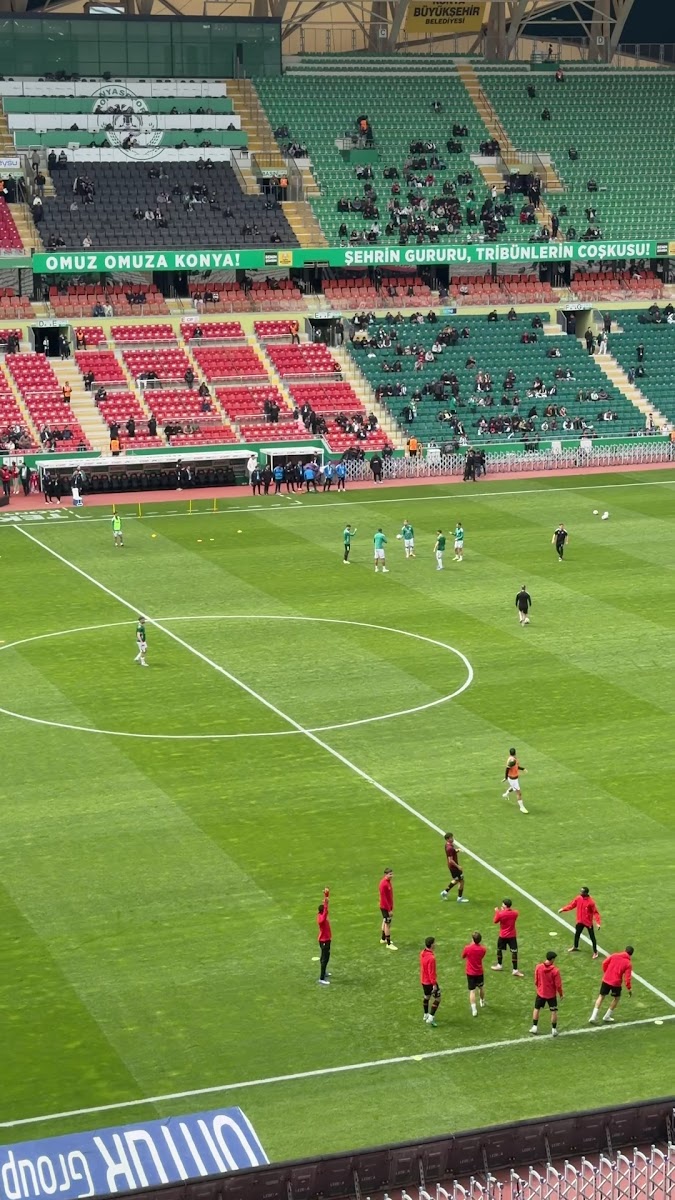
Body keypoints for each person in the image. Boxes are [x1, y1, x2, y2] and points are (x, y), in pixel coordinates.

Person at [589, 947, 633, 1024]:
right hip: (616, 983)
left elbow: (604, 963)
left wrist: (606, 972)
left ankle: (593, 1016)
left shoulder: (614, 955)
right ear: (631, 954)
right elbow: (627, 978)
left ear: (624, 950)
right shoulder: (628, 963)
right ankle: (607, 1016)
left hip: (606, 979)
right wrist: (629, 988)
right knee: (616, 998)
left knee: (601, 996)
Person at [559, 887, 601, 957]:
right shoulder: (578, 898)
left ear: (586, 893)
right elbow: (572, 905)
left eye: (582, 892)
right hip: (580, 921)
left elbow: (595, 913)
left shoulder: (591, 902)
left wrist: (598, 923)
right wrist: (563, 909)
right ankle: (575, 947)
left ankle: (595, 952)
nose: (580, 893)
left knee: (592, 937)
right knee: (577, 934)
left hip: (588, 923)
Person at [530, 951, 563, 1036]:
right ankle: (554, 1030)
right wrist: (561, 994)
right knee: (553, 1011)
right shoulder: (555, 971)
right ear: (552, 959)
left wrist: (539, 987)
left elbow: (536, 980)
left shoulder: (538, 967)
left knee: (536, 1008)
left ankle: (534, 1027)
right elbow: (558, 985)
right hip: (551, 995)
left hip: (541, 993)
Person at [492, 899, 524, 976]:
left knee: (499, 950)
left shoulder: (500, 914)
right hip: (512, 936)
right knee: (514, 952)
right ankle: (515, 970)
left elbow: (495, 921)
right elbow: (512, 913)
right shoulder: (515, 913)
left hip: (503, 935)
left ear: (505, 905)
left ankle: (499, 965)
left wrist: (497, 912)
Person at [462, 932, 486, 1017]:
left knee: (472, 991)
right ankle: (482, 1001)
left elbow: (463, 956)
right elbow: (481, 956)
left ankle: (474, 1009)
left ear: (472, 939)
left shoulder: (467, 948)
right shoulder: (483, 949)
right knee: (481, 987)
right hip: (479, 972)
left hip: (470, 973)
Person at [440, 832, 468, 903]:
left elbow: (452, 853)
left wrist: (457, 850)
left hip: (452, 867)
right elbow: (450, 860)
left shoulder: (447, 845)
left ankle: (444, 892)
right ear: (447, 839)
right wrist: (458, 866)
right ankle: (459, 898)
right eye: (451, 838)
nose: (452, 839)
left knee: (457, 879)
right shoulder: (449, 848)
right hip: (454, 867)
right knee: (461, 881)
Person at [420, 937, 441, 1026]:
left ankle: (425, 1014)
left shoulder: (422, 953)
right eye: (434, 943)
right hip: (430, 982)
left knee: (427, 997)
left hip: (423, 980)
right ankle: (431, 1017)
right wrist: (434, 984)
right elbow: (431, 972)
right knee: (438, 998)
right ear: (431, 944)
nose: (435, 944)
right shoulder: (431, 958)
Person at [502, 747, 528, 814]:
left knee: (513, 788)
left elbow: (515, 767)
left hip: (513, 779)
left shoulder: (512, 759)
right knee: (519, 793)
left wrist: (523, 769)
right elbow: (507, 768)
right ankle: (522, 807)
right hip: (513, 779)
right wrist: (505, 777)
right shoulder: (512, 760)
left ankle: (506, 794)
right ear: (515, 752)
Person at [316, 887, 332, 985]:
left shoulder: (321, 915)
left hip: (327, 940)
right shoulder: (321, 919)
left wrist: (326, 896)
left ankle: (324, 972)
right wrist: (326, 902)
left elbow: (326, 910)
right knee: (324, 959)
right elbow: (326, 911)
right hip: (324, 941)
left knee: (326, 957)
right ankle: (321, 978)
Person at [379, 868, 396, 949]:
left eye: (392, 874)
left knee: (385, 921)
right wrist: (389, 910)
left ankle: (383, 939)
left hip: (387, 906)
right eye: (390, 874)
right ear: (385, 874)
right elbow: (384, 898)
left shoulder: (388, 882)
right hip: (385, 907)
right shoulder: (383, 884)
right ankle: (388, 944)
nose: (392, 876)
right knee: (387, 924)